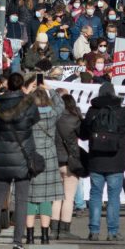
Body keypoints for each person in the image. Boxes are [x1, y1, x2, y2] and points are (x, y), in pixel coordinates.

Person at [0, 73, 41, 249]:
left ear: (7, 85)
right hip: (23, 156)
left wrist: (0, 142)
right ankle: (17, 244)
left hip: (3, 156)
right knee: (22, 201)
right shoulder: (28, 103)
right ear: (22, 85)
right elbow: (35, 120)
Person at [80, 82, 125, 241]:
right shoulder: (121, 111)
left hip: (96, 160)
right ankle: (113, 232)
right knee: (113, 197)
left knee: (95, 195)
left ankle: (94, 231)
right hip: (116, 160)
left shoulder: (92, 111)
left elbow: (83, 134)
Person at [26, 78, 65, 245]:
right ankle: (44, 236)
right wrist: (50, 89)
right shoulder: (52, 114)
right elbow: (61, 105)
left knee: (29, 198)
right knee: (46, 199)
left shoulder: (27, 115)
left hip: (30, 158)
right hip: (48, 159)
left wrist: (28, 91)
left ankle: (29, 236)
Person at [53, 93, 84, 240]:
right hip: (70, 161)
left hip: (54, 160)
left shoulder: (53, 117)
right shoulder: (75, 118)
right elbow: (83, 135)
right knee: (68, 198)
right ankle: (64, 230)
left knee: (55, 197)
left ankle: (53, 230)